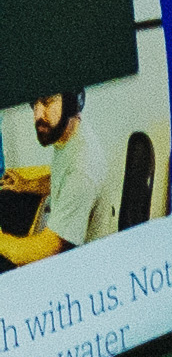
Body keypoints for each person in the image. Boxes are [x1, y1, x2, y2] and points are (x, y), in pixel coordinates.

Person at [30, 90, 113, 247]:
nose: (38, 115)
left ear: (71, 103)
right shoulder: (71, 133)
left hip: (83, 263)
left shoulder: (81, 168)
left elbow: (49, 248)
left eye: (47, 102)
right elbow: (62, 179)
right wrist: (27, 185)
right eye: (34, 104)